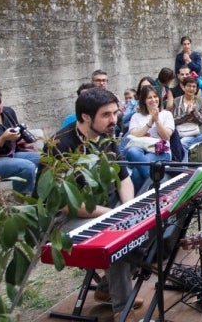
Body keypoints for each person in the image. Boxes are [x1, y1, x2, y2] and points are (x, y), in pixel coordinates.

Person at [49, 88, 143, 321]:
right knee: (115, 237)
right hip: (65, 220)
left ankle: (106, 288)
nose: (114, 120)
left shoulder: (108, 138)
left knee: (150, 227)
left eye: (115, 113)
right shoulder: (60, 145)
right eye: (106, 115)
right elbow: (64, 203)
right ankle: (123, 309)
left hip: (101, 210)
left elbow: (124, 178)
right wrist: (113, 214)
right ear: (85, 117)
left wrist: (128, 209)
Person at [125, 85, 175, 193]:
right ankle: (155, 184)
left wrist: (157, 120)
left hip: (160, 152)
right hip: (140, 151)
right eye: (149, 98)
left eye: (155, 96)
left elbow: (166, 136)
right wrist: (149, 123)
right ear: (144, 100)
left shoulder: (166, 114)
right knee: (132, 151)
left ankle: (136, 200)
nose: (153, 100)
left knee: (137, 173)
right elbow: (134, 136)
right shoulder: (136, 116)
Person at [0, 87, 39, 195]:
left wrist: (20, 133)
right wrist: (3, 138)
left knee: (44, 159)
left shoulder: (8, 112)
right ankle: (20, 204)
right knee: (27, 167)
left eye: (0, 102)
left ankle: (38, 197)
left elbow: (16, 143)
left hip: (11, 155)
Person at [172, 76, 202, 163]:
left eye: (194, 86)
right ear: (184, 87)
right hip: (179, 132)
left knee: (182, 143)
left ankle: (183, 168)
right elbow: (174, 120)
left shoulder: (201, 101)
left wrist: (194, 112)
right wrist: (187, 115)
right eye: (189, 86)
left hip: (196, 133)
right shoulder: (177, 101)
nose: (191, 89)